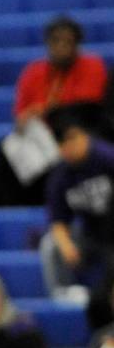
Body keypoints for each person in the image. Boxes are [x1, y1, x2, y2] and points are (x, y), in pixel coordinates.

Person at [0, 16, 109, 206]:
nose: (62, 46)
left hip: (75, 133)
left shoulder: (92, 66)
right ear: (47, 43)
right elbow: (20, 116)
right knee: (6, 149)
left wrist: (45, 111)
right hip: (39, 138)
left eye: (68, 41)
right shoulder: (33, 72)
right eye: (56, 41)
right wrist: (26, 119)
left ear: (77, 44)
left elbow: (87, 106)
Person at [39, 106, 114, 301]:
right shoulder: (60, 176)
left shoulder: (107, 158)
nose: (70, 146)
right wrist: (65, 244)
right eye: (63, 142)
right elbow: (58, 220)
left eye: (74, 138)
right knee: (51, 246)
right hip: (90, 233)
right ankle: (63, 296)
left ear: (84, 136)